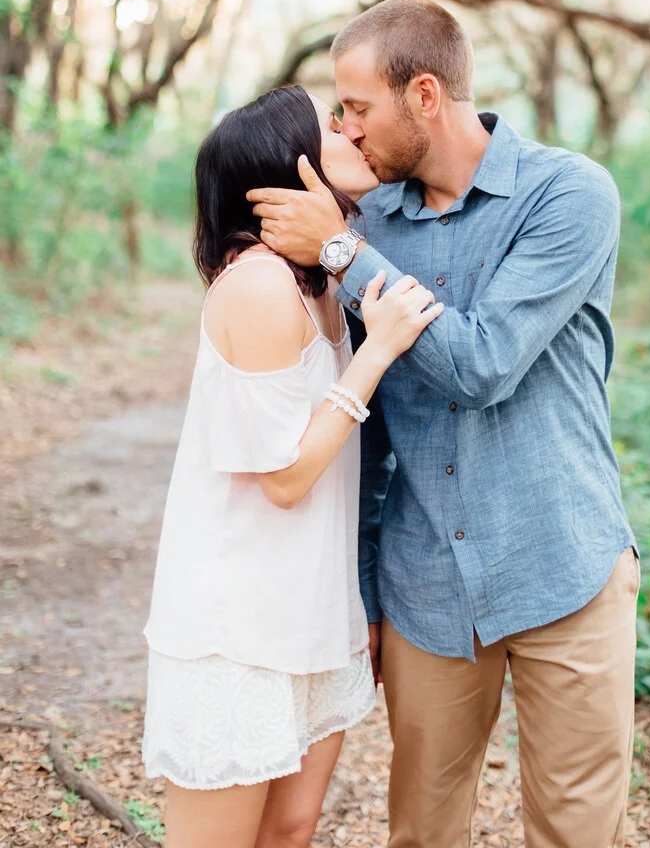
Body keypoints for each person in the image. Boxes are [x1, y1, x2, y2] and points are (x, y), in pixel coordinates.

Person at [249, 0, 639, 848]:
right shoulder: (372, 222)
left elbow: (483, 363)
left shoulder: (568, 195)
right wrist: (363, 591)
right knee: (423, 831)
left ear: (425, 94)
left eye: (357, 109)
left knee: (579, 830)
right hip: (426, 588)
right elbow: (366, 429)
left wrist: (343, 257)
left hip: (562, 566)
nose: (345, 132)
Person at [141, 84, 443, 848]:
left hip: (308, 611)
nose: (352, 130)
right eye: (331, 126)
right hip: (236, 626)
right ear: (296, 167)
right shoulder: (259, 288)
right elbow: (283, 479)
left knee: (292, 828)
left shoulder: (321, 284)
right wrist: (376, 351)